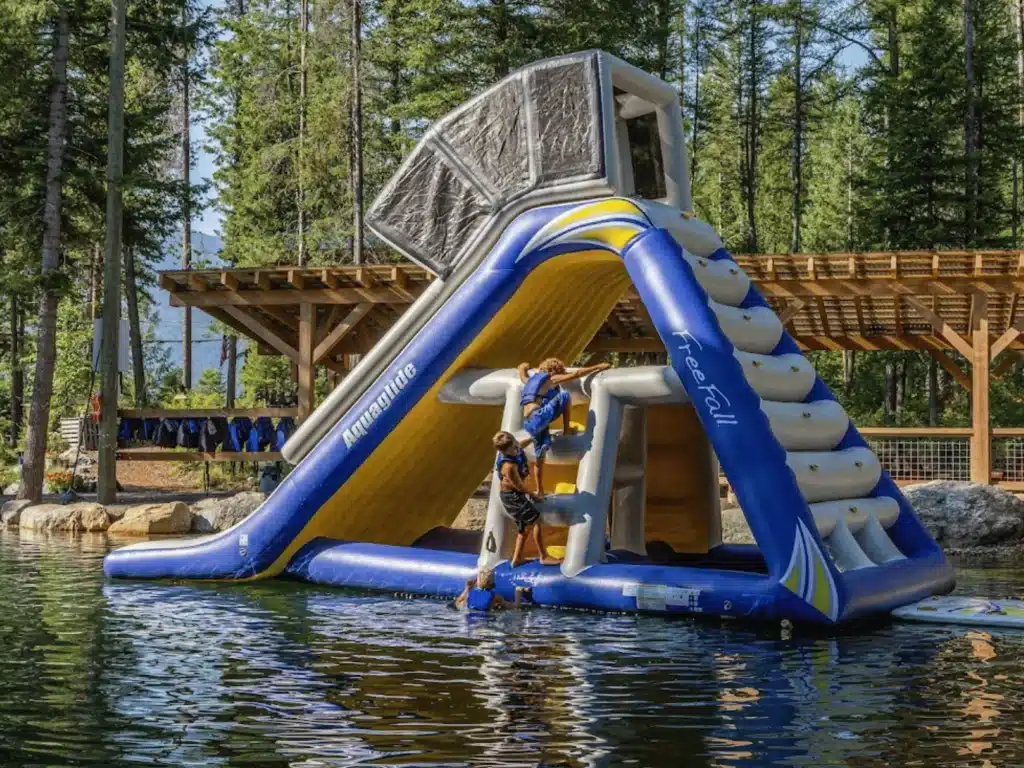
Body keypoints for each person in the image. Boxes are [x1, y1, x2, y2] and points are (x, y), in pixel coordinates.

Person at [517, 358, 611, 497]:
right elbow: (577, 374)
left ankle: (540, 490)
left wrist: (522, 368)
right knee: (565, 396)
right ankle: (567, 430)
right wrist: (598, 366)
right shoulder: (551, 378)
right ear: (554, 370)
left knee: (539, 458)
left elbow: (523, 376)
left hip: (529, 422)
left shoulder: (532, 381)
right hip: (539, 416)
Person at [494, 430, 559, 568]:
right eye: (513, 448)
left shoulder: (514, 449)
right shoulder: (509, 466)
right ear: (505, 452)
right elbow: (519, 486)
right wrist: (535, 495)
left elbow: (520, 446)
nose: (516, 448)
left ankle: (516, 559)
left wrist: (532, 439)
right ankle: (543, 556)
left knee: (524, 528)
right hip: (512, 497)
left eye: (515, 444)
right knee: (536, 521)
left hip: (514, 495)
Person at [453, 568, 523, 611]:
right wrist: (518, 590)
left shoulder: (469, 593)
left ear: (477, 581)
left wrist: (467, 588)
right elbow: (514, 606)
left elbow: (457, 602)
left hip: (470, 617)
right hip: (485, 620)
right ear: (492, 583)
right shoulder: (496, 596)